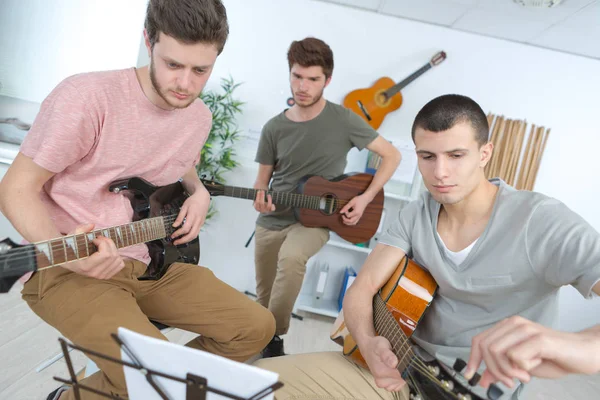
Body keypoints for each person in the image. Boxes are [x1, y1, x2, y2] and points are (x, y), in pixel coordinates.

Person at [0, 1, 275, 399]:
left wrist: (198, 193)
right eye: (173, 65)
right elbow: (15, 188)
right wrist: (72, 255)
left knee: (256, 328)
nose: (185, 83)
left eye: (201, 70)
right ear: (149, 41)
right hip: (66, 267)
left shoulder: (198, 117)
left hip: (152, 261)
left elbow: (178, 168)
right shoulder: (86, 98)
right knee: (163, 379)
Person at [254, 94, 600, 400]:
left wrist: (572, 345)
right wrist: (369, 340)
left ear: (485, 153)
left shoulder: (542, 221)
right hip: (396, 371)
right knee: (260, 384)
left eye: (456, 155)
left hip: (467, 389)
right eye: (427, 156)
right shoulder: (416, 212)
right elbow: (362, 290)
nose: (440, 172)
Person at [251, 37, 402, 358]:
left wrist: (364, 198)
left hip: (316, 220)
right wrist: (260, 197)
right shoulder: (273, 128)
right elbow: (261, 182)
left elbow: (391, 156)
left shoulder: (344, 120)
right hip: (273, 218)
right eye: (297, 76)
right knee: (263, 298)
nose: (302, 86)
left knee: (292, 260)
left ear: (327, 80)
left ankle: (274, 338)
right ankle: (256, 344)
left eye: (313, 79)